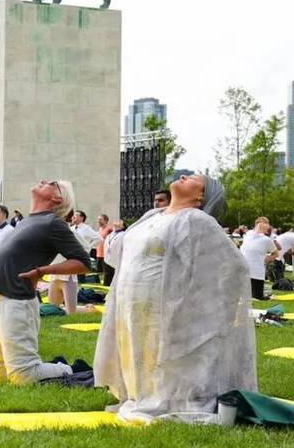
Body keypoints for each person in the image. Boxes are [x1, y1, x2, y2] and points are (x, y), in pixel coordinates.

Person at [94, 174, 257, 424]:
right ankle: (140, 394)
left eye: (193, 178)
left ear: (201, 196)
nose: (183, 176)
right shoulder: (152, 216)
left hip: (164, 303)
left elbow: (233, 265)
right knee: (137, 349)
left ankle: (166, 398)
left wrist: (191, 297)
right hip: (132, 300)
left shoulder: (197, 220)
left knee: (159, 350)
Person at [0, 180, 91, 384]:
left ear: (57, 198)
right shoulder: (28, 220)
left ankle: (65, 369)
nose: (44, 181)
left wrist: (42, 271)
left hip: (17, 300)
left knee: (23, 375)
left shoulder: (53, 223)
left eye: (52, 183)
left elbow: (83, 262)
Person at [240, 222, 278, 300]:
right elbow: (276, 253)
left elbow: (276, 253)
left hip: (254, 272)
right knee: (253, 296)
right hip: (247, 271)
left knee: (256, 296)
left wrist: (266, 258)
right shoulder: (249, 235)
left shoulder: (265, 239)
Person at [103, 219, 126, 286]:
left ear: (123, 226)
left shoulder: (124, 235)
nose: (116, 223)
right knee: (107, 280)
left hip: (118, 261)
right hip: (107, 260)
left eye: (119, 222)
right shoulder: (110, 235)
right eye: (115, 222)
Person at [96, 213, 113, 282]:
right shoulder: (99, 229)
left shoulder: (109, 229)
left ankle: (107, 284)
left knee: (107, 272)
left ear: (106, 220)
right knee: (99, 271)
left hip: (106, 254)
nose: (99, 221)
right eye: (98, 220)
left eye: (100, 220)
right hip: (99, 253)